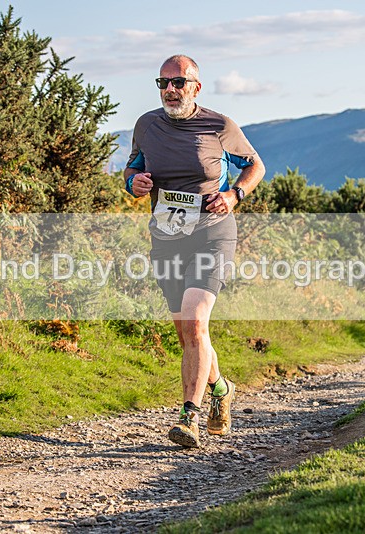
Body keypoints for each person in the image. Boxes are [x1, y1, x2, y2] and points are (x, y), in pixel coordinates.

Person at [123, 55, 266, 448]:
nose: (171, 89)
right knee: (188, 334)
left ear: (195, 87)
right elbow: (132, 167)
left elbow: (255, 166)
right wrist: (134, 182)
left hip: (212, 232)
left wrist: (235, 194)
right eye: (163, 82)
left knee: (196, 321)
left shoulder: (219, 126)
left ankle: (190, 416)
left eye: (179, 83)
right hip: (167, 236)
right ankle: (222, 389)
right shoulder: (146, 125)